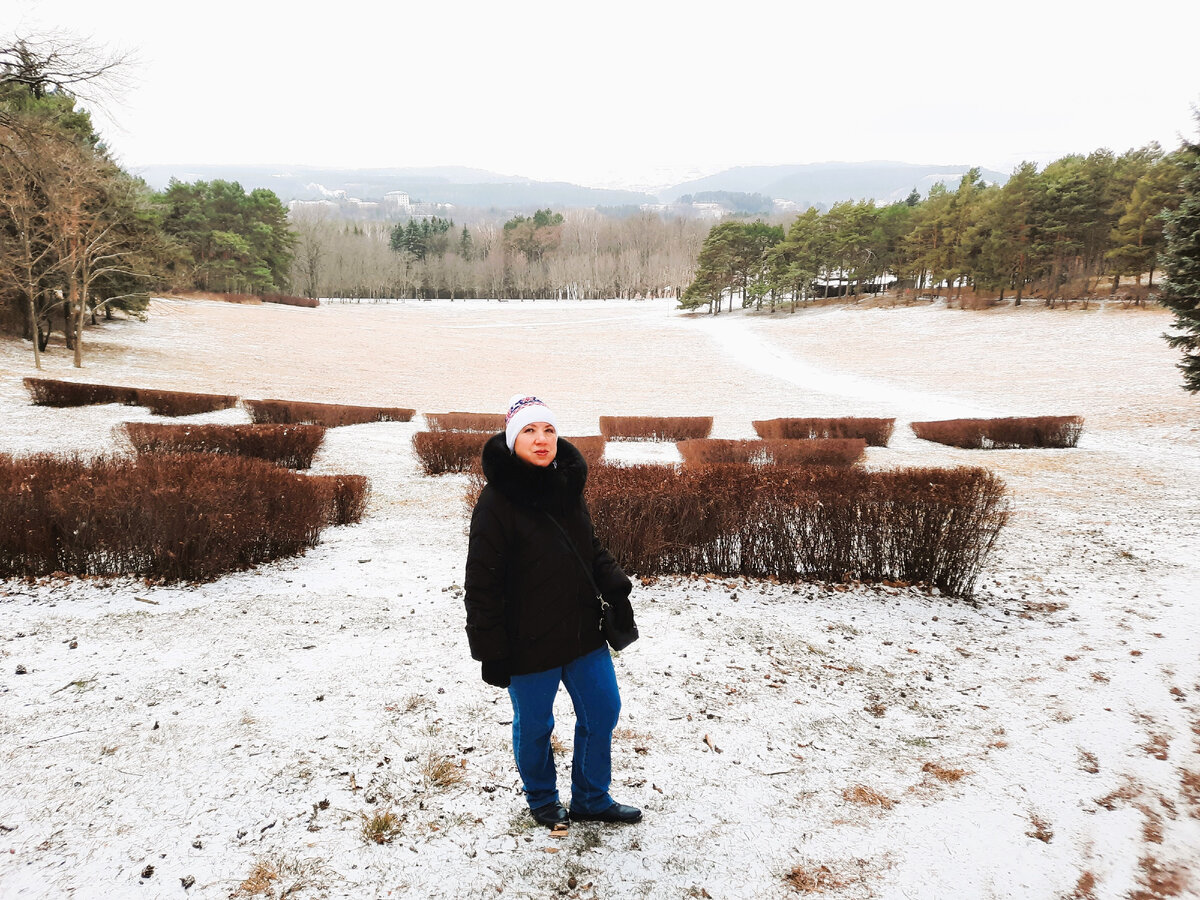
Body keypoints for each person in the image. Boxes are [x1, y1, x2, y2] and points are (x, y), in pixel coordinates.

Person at [463, 394, 641, 827]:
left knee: (603, 710)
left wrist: (614, 583)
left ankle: (591, 798)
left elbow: (588, 546)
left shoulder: (566, 485)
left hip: (582, 631)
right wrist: (491, 649)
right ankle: (542, 799)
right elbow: (482, 584)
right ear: (512, 440)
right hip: (527, 641)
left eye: (548, 430)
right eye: (529, 430)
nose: (542, 440)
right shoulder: (496, 503)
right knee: (536, 725)